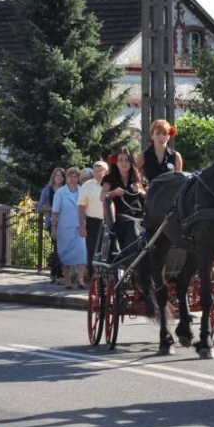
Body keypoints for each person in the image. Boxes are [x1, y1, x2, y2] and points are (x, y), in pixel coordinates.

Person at [101, 147, 152, 305]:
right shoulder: (110, 178)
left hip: (139, 213)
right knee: (132, 223)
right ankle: (136, 250)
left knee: (148, 224)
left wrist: (141, 191)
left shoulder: (138, 178)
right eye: (120, 160)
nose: (124, 163)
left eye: (126, 160)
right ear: (115, 162)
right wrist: (113, 193)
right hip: (122, 216)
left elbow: (150, 197)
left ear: (131, 162)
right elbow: (102, 196)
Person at [50, 168, 86, 289]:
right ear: (67, 178)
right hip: (64, 228)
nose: (72, 179)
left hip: (80, 227)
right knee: (65, 254)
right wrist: (53, 228)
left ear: (78, 178)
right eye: (70, 176)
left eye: (75, 176)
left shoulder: (82, 191)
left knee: (82, 253)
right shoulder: (60, 192)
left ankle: (80, 279)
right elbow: (55, 212)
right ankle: (67, 280)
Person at [78, 161, 108, 269]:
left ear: (106, 171)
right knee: (92, 252)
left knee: (109, 252)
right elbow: (81, 207)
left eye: (100, 171)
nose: (98, 174)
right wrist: (82, 226)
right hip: (93, 222)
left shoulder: (113, 183)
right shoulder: (87, 185)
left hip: (110, 222)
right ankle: (92, 279)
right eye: (95, 171)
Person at [37, 167, 66, 283]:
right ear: (53, 177)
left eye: (61, 176)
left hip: (65, 222)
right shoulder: (46, 190)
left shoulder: (66, 190)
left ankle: (54, 272)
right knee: (58, 246)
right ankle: (58, 274)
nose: (59, 177)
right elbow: (39, 208)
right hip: (51, 223)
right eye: (57, 175)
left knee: (60, 248)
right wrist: (52, 208)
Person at [137, 118, 183, 184]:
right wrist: (142, 188)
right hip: (149, 193)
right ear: (152, 136)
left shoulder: (176, 156)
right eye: (157, 134)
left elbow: (180, 181)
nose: (161, 137)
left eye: (164, 134)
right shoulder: (143, 156)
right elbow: (135, 176)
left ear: (168, 136)